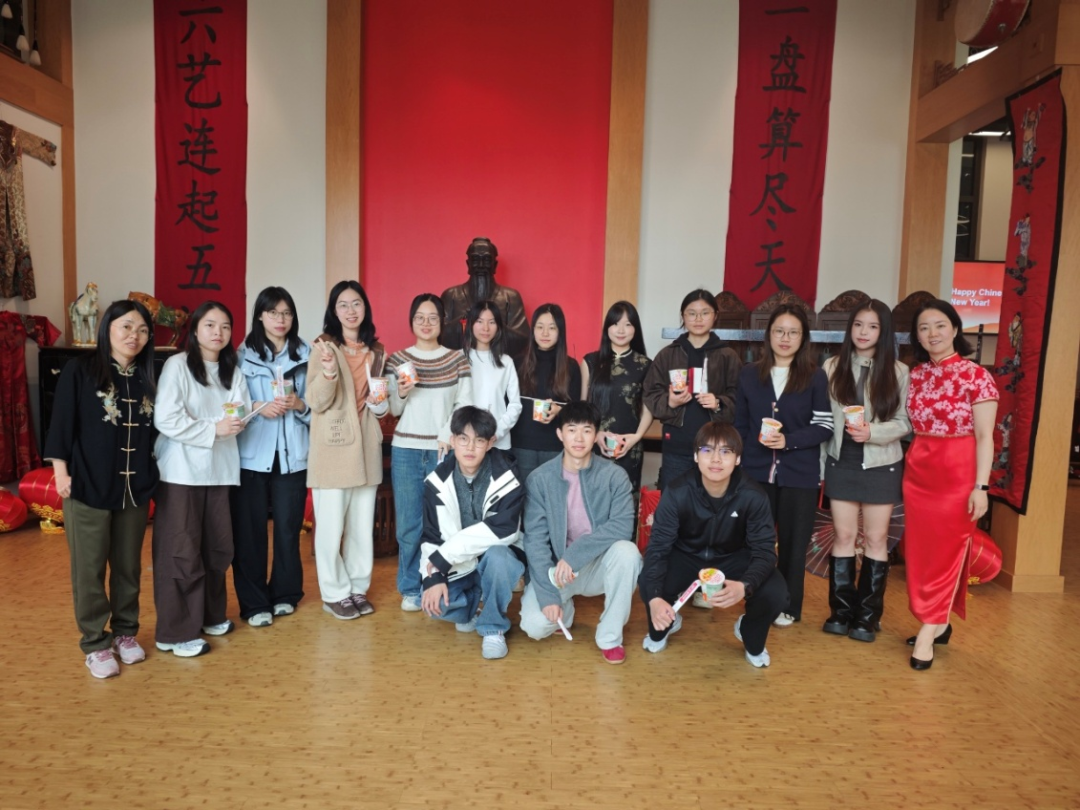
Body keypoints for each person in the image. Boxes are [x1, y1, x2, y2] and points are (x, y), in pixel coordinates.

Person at [44, 300, 158, 678]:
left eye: (142, 330)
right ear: (107, 328)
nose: (133, 336)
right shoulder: (81, 369)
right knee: (89, 569)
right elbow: (61, 423)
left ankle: (125, 632)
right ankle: (95, 642)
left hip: (133, 488)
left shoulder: (147, 377)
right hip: (87, 485)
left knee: (127, 567)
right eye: (126, 327)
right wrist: (60, 473)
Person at [638, 423, 787, 667]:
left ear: (737, 459)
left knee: (775, 591)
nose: (716, 459)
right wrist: (654, 598)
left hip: (733, 557)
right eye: (707, 450)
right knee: (649, 580)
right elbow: (658, 548)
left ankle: (748, 629)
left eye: (726, 452)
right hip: (686, 555)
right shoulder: (677, 491)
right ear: (696, 456)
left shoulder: (753, 495)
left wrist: (745, 586)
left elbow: (765, 552)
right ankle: (667, 619)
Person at [904, 300, 998, 671]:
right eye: (924, 327)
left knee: (949, 549)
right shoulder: (916, 374)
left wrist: (981, 487)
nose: (933, 333)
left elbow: (985, 436)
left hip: (958, 472)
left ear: (955, 329)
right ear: (917, 336)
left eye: (940, 325)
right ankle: (938, 621)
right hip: (918, 471)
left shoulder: (976, 375)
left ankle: (928, 631)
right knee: (922, 552)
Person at [153, 301, 249, 657]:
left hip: (220, 470)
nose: (217, 332)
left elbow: (240, 414)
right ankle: (175, 632)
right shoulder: (177, 365)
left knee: (216, 546)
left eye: (225, 326)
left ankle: (210, 614)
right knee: (181, 550)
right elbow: (167, 418)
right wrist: (214, 428)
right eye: (210, 325)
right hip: (181, 471)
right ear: (194, 330)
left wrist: (226, 425)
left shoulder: (231, 370)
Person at [519, 401, 642, 664]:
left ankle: (610, 637)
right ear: (559, 434)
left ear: (596, 436)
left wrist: (573, 556)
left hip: (596, 564)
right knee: (534, 626)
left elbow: (622, 526)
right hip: (557, 571)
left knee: (628, 553)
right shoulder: (540, 479)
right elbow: (535, 541)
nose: (578, 438)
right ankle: (565, 608)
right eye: (571, 430)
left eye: (587, 431)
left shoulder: (614, 476)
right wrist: (548, 596)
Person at [734, 303, 832, 627]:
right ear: (769, 335)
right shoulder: (749, 374)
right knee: (756, 540)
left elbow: (824, 425)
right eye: (779, 331)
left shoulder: (815, 376)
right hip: (756, 470)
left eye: (793, 332)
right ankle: (756, 599)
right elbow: (740, 424)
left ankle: (789, 605)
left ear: (803, 338)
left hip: (800, 474)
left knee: (793, 543)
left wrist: (787, 441)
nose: (785, 338)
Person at [821, 301, 910, 642]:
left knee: (875, 538)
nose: (863, 332)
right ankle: (841, 612)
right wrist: (820, 465)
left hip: (881, 463)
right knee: (843, 536)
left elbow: (905, 422)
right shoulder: (832, 366)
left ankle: (868, 616)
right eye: (858, 324)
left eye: (872, 326)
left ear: (883, 332)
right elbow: (823, 419)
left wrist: (873, 432)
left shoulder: (899, 372)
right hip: (841, 461)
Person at [306, 280, 389, 620]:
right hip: (334, 444)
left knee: (360, 526)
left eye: (356, 303)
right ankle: (334, 593)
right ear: (334, 311)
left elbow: (380, 405)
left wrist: (381, 404)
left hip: (366, 445)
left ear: (365, 308)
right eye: (343, 304)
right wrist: (328, 372)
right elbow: (315, 401)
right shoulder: (324, 347)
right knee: (330, 527)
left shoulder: (377, 351)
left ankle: (356, 587)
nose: (351, 310)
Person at [387, 293, 474, 612]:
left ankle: (442, 582)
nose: (426, 323)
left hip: (443, 449)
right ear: (411, 321)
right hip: (406, 450)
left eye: (432, 318)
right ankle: (410, 587)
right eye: (420, 318)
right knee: (409, 525)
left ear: (442, 322)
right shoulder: (397, 360)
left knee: (445, 522)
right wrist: (401, 392)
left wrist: (446, 433)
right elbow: (391, 409)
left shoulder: (456, 359)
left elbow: (464, 404)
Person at [231, 287, 311, 628]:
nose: (281, 319)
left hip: (293, 456)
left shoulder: (307, 354)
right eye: (273, 312)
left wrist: (300, 405)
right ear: (260, 316)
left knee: (288, 529)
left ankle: (285, 594)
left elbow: (320, 407)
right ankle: (254, 603)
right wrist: (256, 408)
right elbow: (228, 405)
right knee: (249, 532)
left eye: (287, 313)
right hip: (252, 455)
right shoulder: (241, 356)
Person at [419, 406, 526, 659]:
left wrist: (444, 557)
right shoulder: (436, 482)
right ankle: (473, 610)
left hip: (499, 556)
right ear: (452, 440)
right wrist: (432, 577)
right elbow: (431, 536)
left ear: (490, 443)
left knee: (498, 557)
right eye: (463, 439)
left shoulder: (508, 477)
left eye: (478, 441)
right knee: (434, 603)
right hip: (460, 561)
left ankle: (493, 627)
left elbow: (504, 530)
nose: (470, 448)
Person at [642, 289, 741, 490]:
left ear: (715, 316)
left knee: (712, 501)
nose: (698, 319)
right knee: (674, 500)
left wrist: (719, 403)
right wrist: (670, 402)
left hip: (716, 448)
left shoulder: (728, 356)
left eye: (705, 313)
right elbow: (650, 394)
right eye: (692, 313)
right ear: (683, 316)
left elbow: (741, 397)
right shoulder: (667, 354)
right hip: (676, 444)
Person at [581, 300, 653, 490]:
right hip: (594, 443)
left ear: (635, 329)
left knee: (625, 498)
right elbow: (583, 406)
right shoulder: (590, 361)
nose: (621, 330)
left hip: (629, 445)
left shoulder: (645, 365)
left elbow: (648, 409)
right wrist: (595, 434)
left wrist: (636, 437)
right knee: (592, 498)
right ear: (607, 327)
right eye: (615, 323)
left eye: (627, 324)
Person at [510, 303, 582, 483]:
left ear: (560, 332)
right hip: (522, 445)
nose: (545, 333)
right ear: (532, 330)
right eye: (540, 327)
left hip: (555, 446)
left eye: (552, 328)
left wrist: (559, 410)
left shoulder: (571, 367)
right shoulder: (517, 363)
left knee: (552, 496)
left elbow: (577, 412)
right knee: (524, 495)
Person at [440, 237, 529, 359]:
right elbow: (438, 336)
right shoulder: (452, 295)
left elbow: (523, 340)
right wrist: (462, 322)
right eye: (476, 260)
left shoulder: (510, 296)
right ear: (468, 264)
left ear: (495, 265)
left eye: (486, 260)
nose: (481, 266)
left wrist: (495, 322)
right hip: (459, 364)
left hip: (498, 364)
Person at [463, 300, 521, 450]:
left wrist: (496, 433)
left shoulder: (506, 362)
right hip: (465, 441)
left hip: (497, 443)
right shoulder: (459, 359)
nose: (485, 328)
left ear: (498, 327)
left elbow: (515, 404)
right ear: (471, 324)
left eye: (491, 322)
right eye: (479, 321)